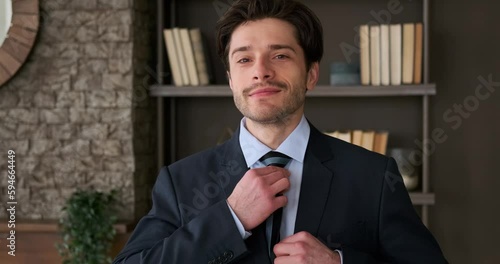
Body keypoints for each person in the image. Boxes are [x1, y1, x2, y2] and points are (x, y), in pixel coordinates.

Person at [113, 0, 448, 263]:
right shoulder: (180, 181)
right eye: (244, 60)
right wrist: (231, 220)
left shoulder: (374, 177)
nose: (261, 72)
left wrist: (339, 263)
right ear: (231, 80)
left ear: (311, 75)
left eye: (281, 55)